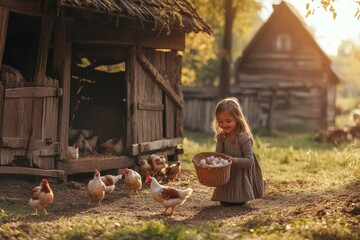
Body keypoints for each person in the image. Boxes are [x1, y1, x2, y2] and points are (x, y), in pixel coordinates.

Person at [211, 97, 265, 206]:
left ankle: (241, 196)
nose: (224, 124)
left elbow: (249, 161)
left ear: (237, 118)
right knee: (224, 202)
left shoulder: (244, 138)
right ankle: (225, 196)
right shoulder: (221, 137)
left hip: (240, 170)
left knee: (238, 202)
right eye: (220, 121)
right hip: (226, 172)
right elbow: (218, 154)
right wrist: (213, 161)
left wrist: (234, 160)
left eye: (228, 121)